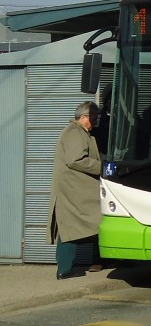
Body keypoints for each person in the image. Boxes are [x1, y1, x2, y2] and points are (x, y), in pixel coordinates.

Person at [47, 101, 104, 279]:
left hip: (76, 191)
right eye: (93, 118)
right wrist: (102, 167)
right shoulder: (74, 132)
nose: (94, 122)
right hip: (73, 191)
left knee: (76, 227)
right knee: (70, 228)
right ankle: (64, 269)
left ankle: (74, 266)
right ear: (84, 117)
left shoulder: (81, 132)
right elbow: (75, 160)